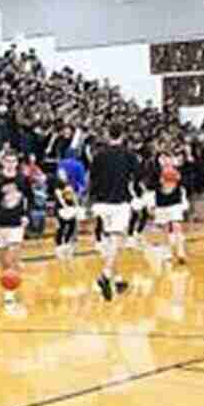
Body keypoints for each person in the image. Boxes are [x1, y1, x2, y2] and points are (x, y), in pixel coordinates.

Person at [88, 128, 137, 301]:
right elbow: (136, 177)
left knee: (110, 242)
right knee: (118, 239)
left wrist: (90, 201)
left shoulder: (98, 155)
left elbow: (92, 178)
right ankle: (106, 274)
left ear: (107, 135)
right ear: (122, 136)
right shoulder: (129, 155)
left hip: (101, 203)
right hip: (119, 202)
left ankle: (116, 279)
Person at [0, 152, 31, 304]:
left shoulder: (22, 179)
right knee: (4, 259)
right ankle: (9, 284)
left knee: (14, 256)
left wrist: (26, 215)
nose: (11, 164)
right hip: (0, 223)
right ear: (3, 163)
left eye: (14, 161)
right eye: (8, 161)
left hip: (17, 223)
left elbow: (29, 198)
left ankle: (10, 291)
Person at [153, 166, 188, 266]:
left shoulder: (180, 189)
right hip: (163, 208)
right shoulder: (157, 189)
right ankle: (170, 252)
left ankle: (179, 252)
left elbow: (183, 200)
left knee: (175, 228)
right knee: (167, 230)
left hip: (173, 207)